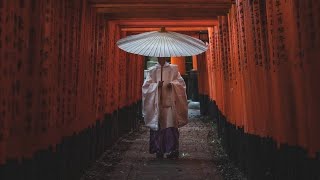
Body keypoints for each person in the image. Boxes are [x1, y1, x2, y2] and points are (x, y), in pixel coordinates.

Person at [142, 57, 188, 159]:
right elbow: (146, 86)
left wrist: (172, 85)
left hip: (170, 103)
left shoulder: (173, 69)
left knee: (171, 125)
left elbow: (180, 84)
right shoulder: (152, 70)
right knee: (158, 125)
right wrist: (156, 86)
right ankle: (159, 149)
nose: (161, 57)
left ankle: (172, 150)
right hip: (157, 103)